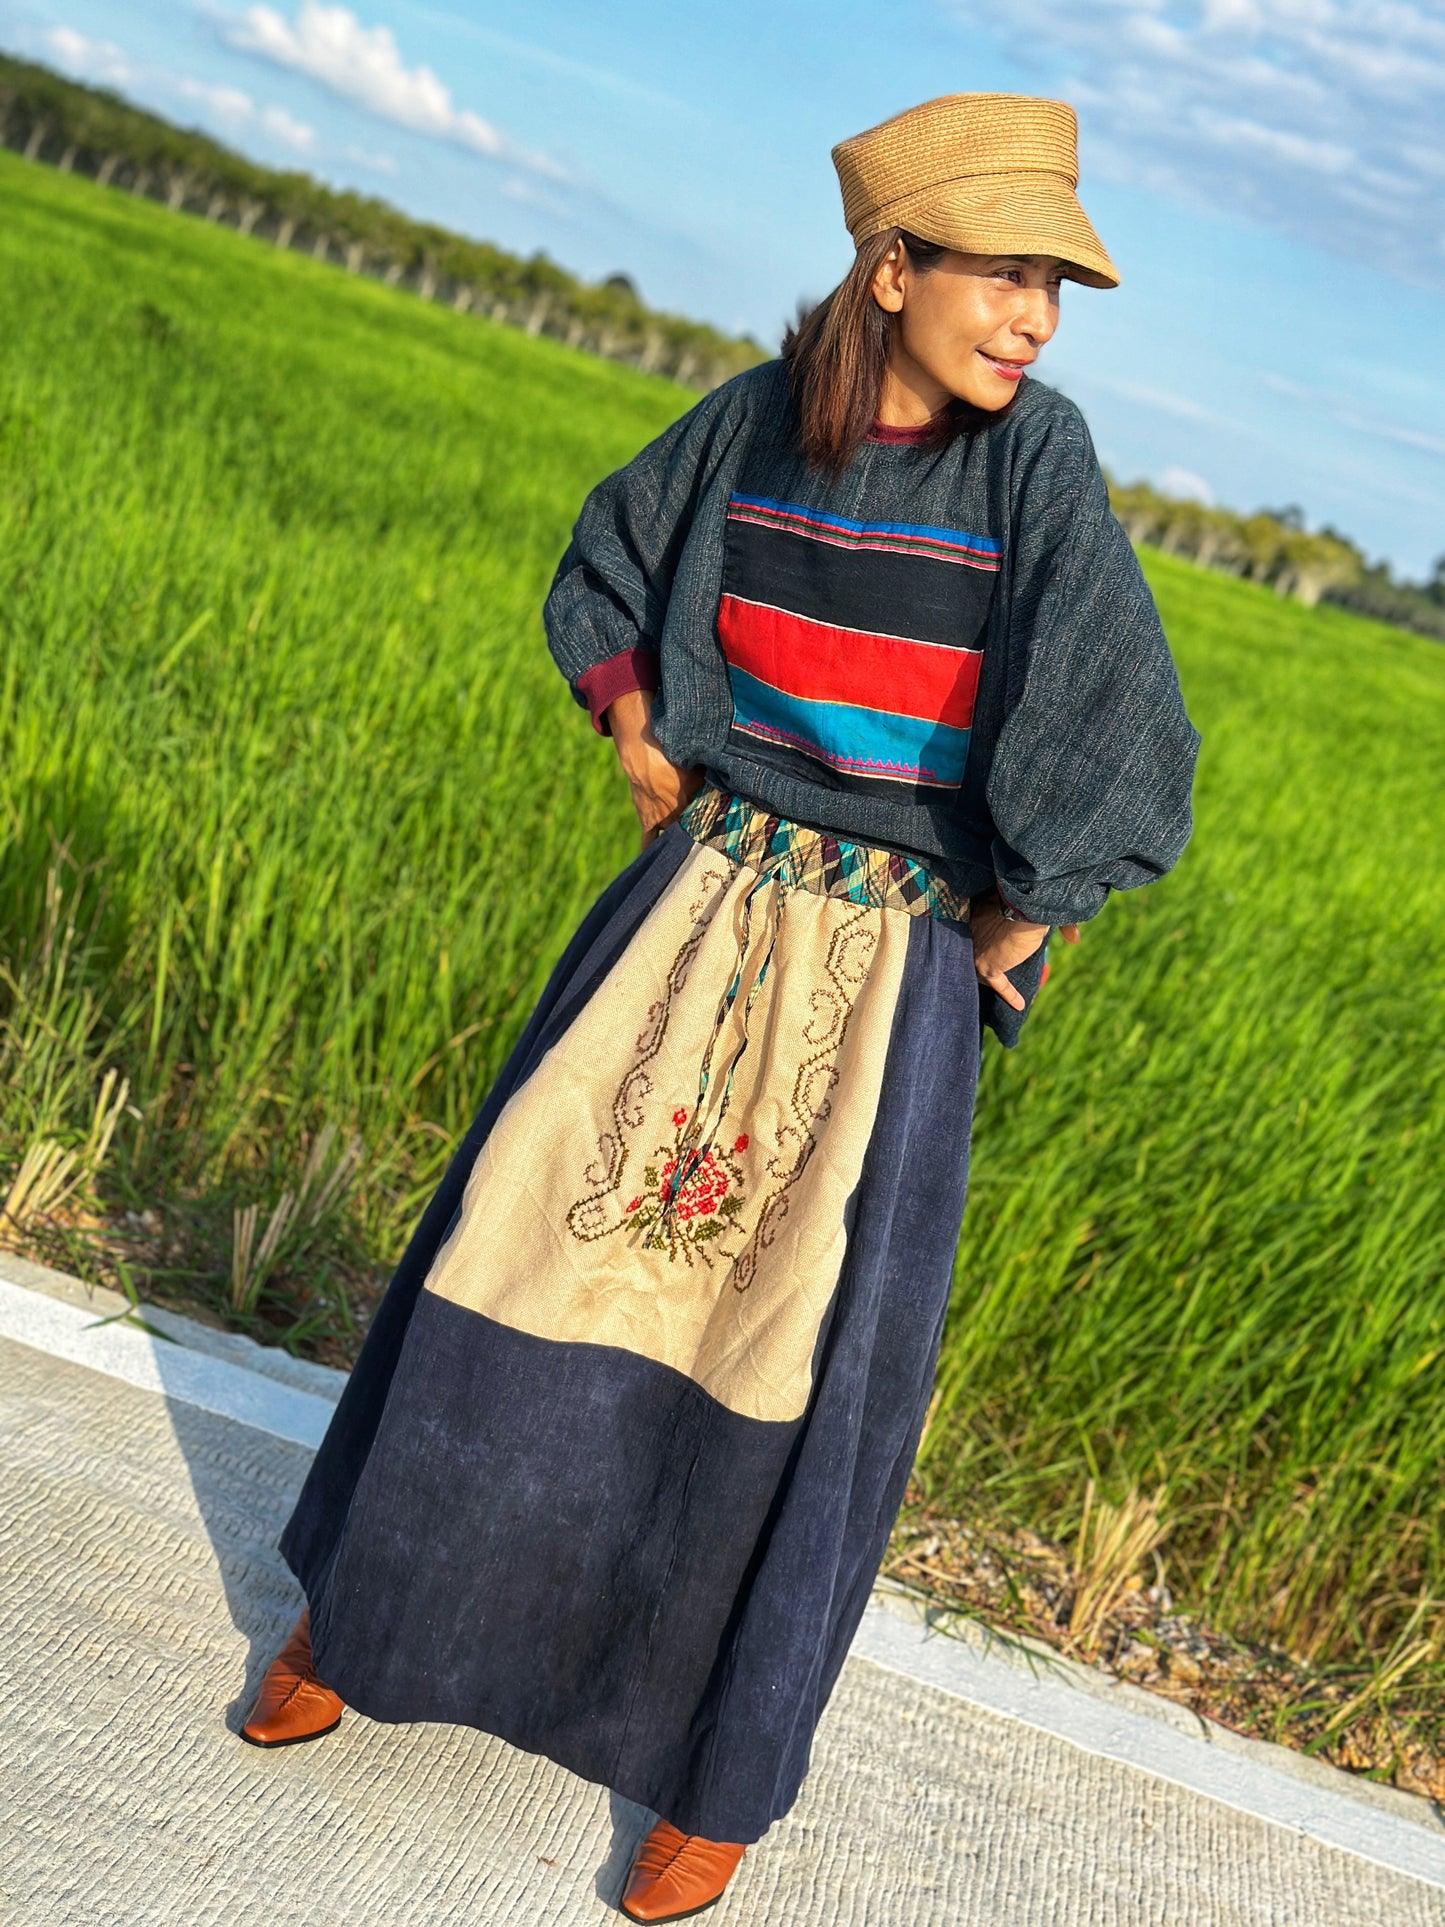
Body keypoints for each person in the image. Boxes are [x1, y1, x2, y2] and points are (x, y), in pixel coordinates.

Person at [241, 93, 1199, 1922]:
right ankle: (361, 1624)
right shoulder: (757, 422)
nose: (1032, 320)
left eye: (1054, 288)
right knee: (517, 1262)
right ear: (890, 266)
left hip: (880, 973)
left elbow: (1117, 735)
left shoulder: (1034, 466)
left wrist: (1019, 919)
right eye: (1003, 274)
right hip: (685, 922)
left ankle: (715, 1775)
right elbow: (610, 554)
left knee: (793, 1373)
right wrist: (630, 719)